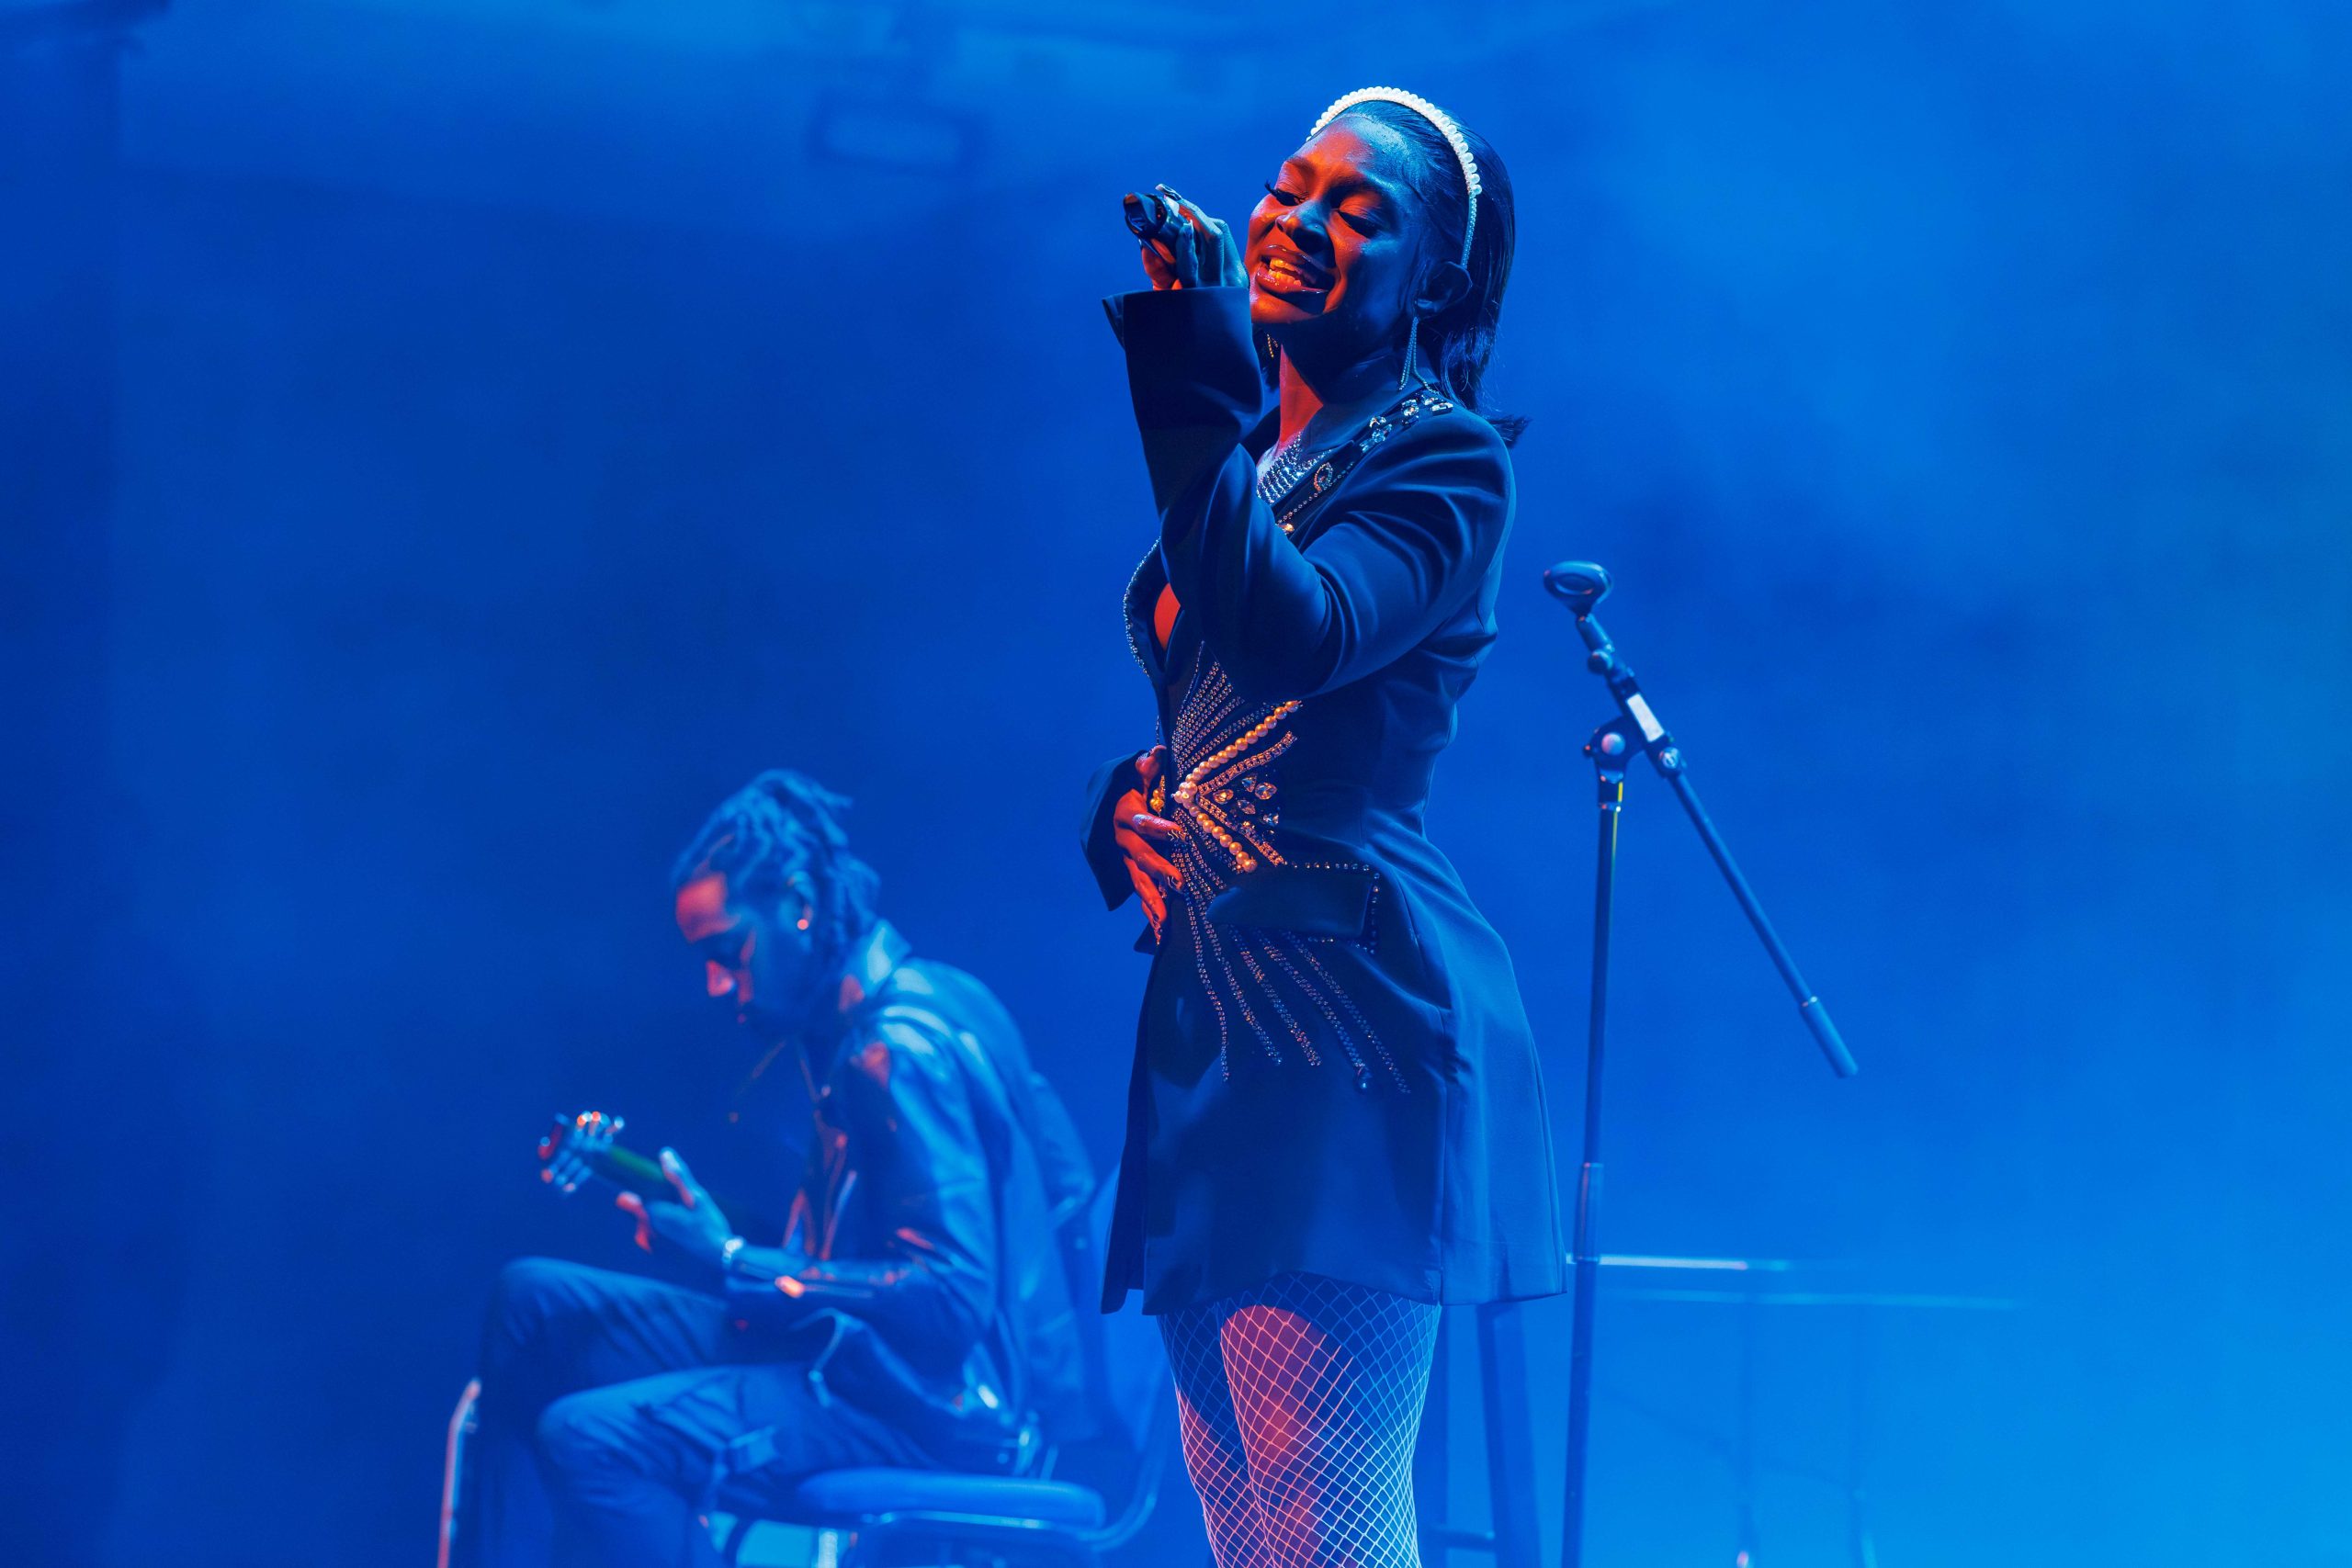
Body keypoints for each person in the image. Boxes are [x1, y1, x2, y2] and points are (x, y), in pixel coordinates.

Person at [1078, 88, 1566, 1566]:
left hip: (1345, 1007)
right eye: (1293, 186)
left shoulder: (1446, 459)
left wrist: (1191, 369)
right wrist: (1128, 803)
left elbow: (1300, 637)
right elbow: (1216, 708)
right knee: (1244, 1518)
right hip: (1214, 1006)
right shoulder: (1264, 459)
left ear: (1434, 277)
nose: (1299, 218)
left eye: (1361, 209)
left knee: (1321, 1518)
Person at [461, 770, 1095, 1568]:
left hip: (927, 1406)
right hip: (867, 1359)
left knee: (591, 1440)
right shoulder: (929, 998)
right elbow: (1056, 1191)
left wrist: (734, 1258)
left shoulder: (893, 1050)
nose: (716, 984)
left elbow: (951, 1295)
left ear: (797, 903)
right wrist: (718, 1247)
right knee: (532, 1303)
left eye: (729, 953)